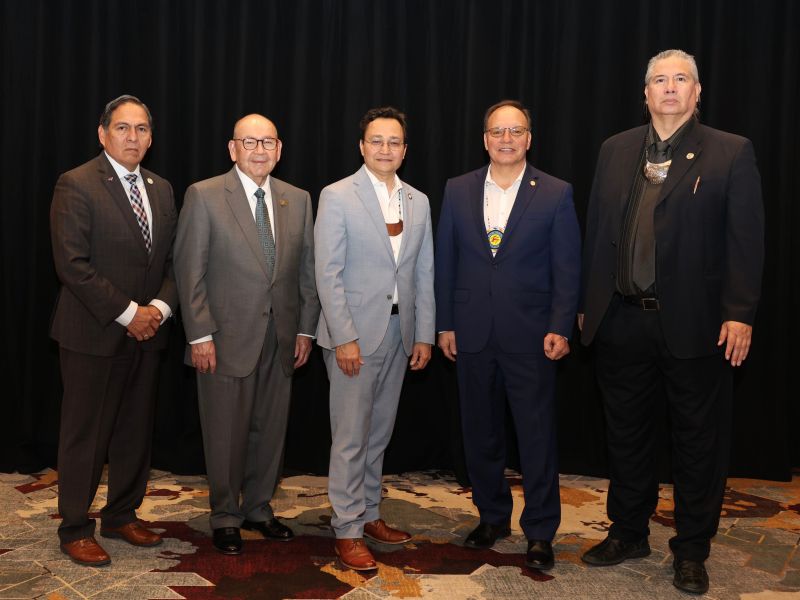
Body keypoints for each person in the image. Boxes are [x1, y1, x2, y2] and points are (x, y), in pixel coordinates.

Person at [579, 49, 764, 595]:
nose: (669, 87)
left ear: (697, 92)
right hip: (620, 319)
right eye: (659, 79)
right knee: (626, 436)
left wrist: (739, 313)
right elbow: (597, 231)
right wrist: (588, 302)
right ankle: (628, 532)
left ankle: (692, 549)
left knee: (698, 443)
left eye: (681, 79)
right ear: (645, 93)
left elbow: (746, 241)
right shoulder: (615, 149)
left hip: (696, 325)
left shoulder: (731, 151)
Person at [434, 100, 581, 571]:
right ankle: (492, 517)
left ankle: (540, 531)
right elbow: (445, 261)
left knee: (536, 437)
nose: (506, 139)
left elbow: (567, 267)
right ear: (485, 139)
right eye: (498, 131)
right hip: (472, 332)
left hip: (532, 336)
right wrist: (444, 323)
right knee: (480, 433)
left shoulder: (555, 192)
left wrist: (560, 325)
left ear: (529, 139)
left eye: (516, 131)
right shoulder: (457, 189)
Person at [174, 114, 319, 555]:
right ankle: (224, 516)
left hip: (282, 338)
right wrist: (199, 335)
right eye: (250, 142)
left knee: (270, 431)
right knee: (225, 434)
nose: (260, 150)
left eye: (268, 142)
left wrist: (306, 330)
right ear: (232, 148)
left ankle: (258, 508)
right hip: (223, 340)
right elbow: (189, 270)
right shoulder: (204, 195)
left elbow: (307, 273)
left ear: (280, 149)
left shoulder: (298, 198)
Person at [50, 94, 177, 566]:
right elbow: (72, 264)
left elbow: (174, 261)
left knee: (133, 432)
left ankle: (121, 514)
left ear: (151, 138)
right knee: (86, 435)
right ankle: (74, 527)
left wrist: (158, 309)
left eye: (141, 129)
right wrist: (129, 313)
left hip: (149, 333)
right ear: (103, 134)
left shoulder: (161, 188)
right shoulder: (77, 183)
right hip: (93, 333)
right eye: (123, 128)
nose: (132, 137)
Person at [315, 107, 435, 571]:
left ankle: (368, 514)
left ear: (405, 150)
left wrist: (424, 333)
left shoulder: (418, 201)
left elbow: (423, 271)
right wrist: (344, 337)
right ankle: (346, 528)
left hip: (400, 333)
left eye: (394, 142)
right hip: (354, 337)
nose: (385, 149)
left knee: (378, 434)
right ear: (362, 146)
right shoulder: (337, 195)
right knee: (350, 438)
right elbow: (327, 273)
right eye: (377, 140)